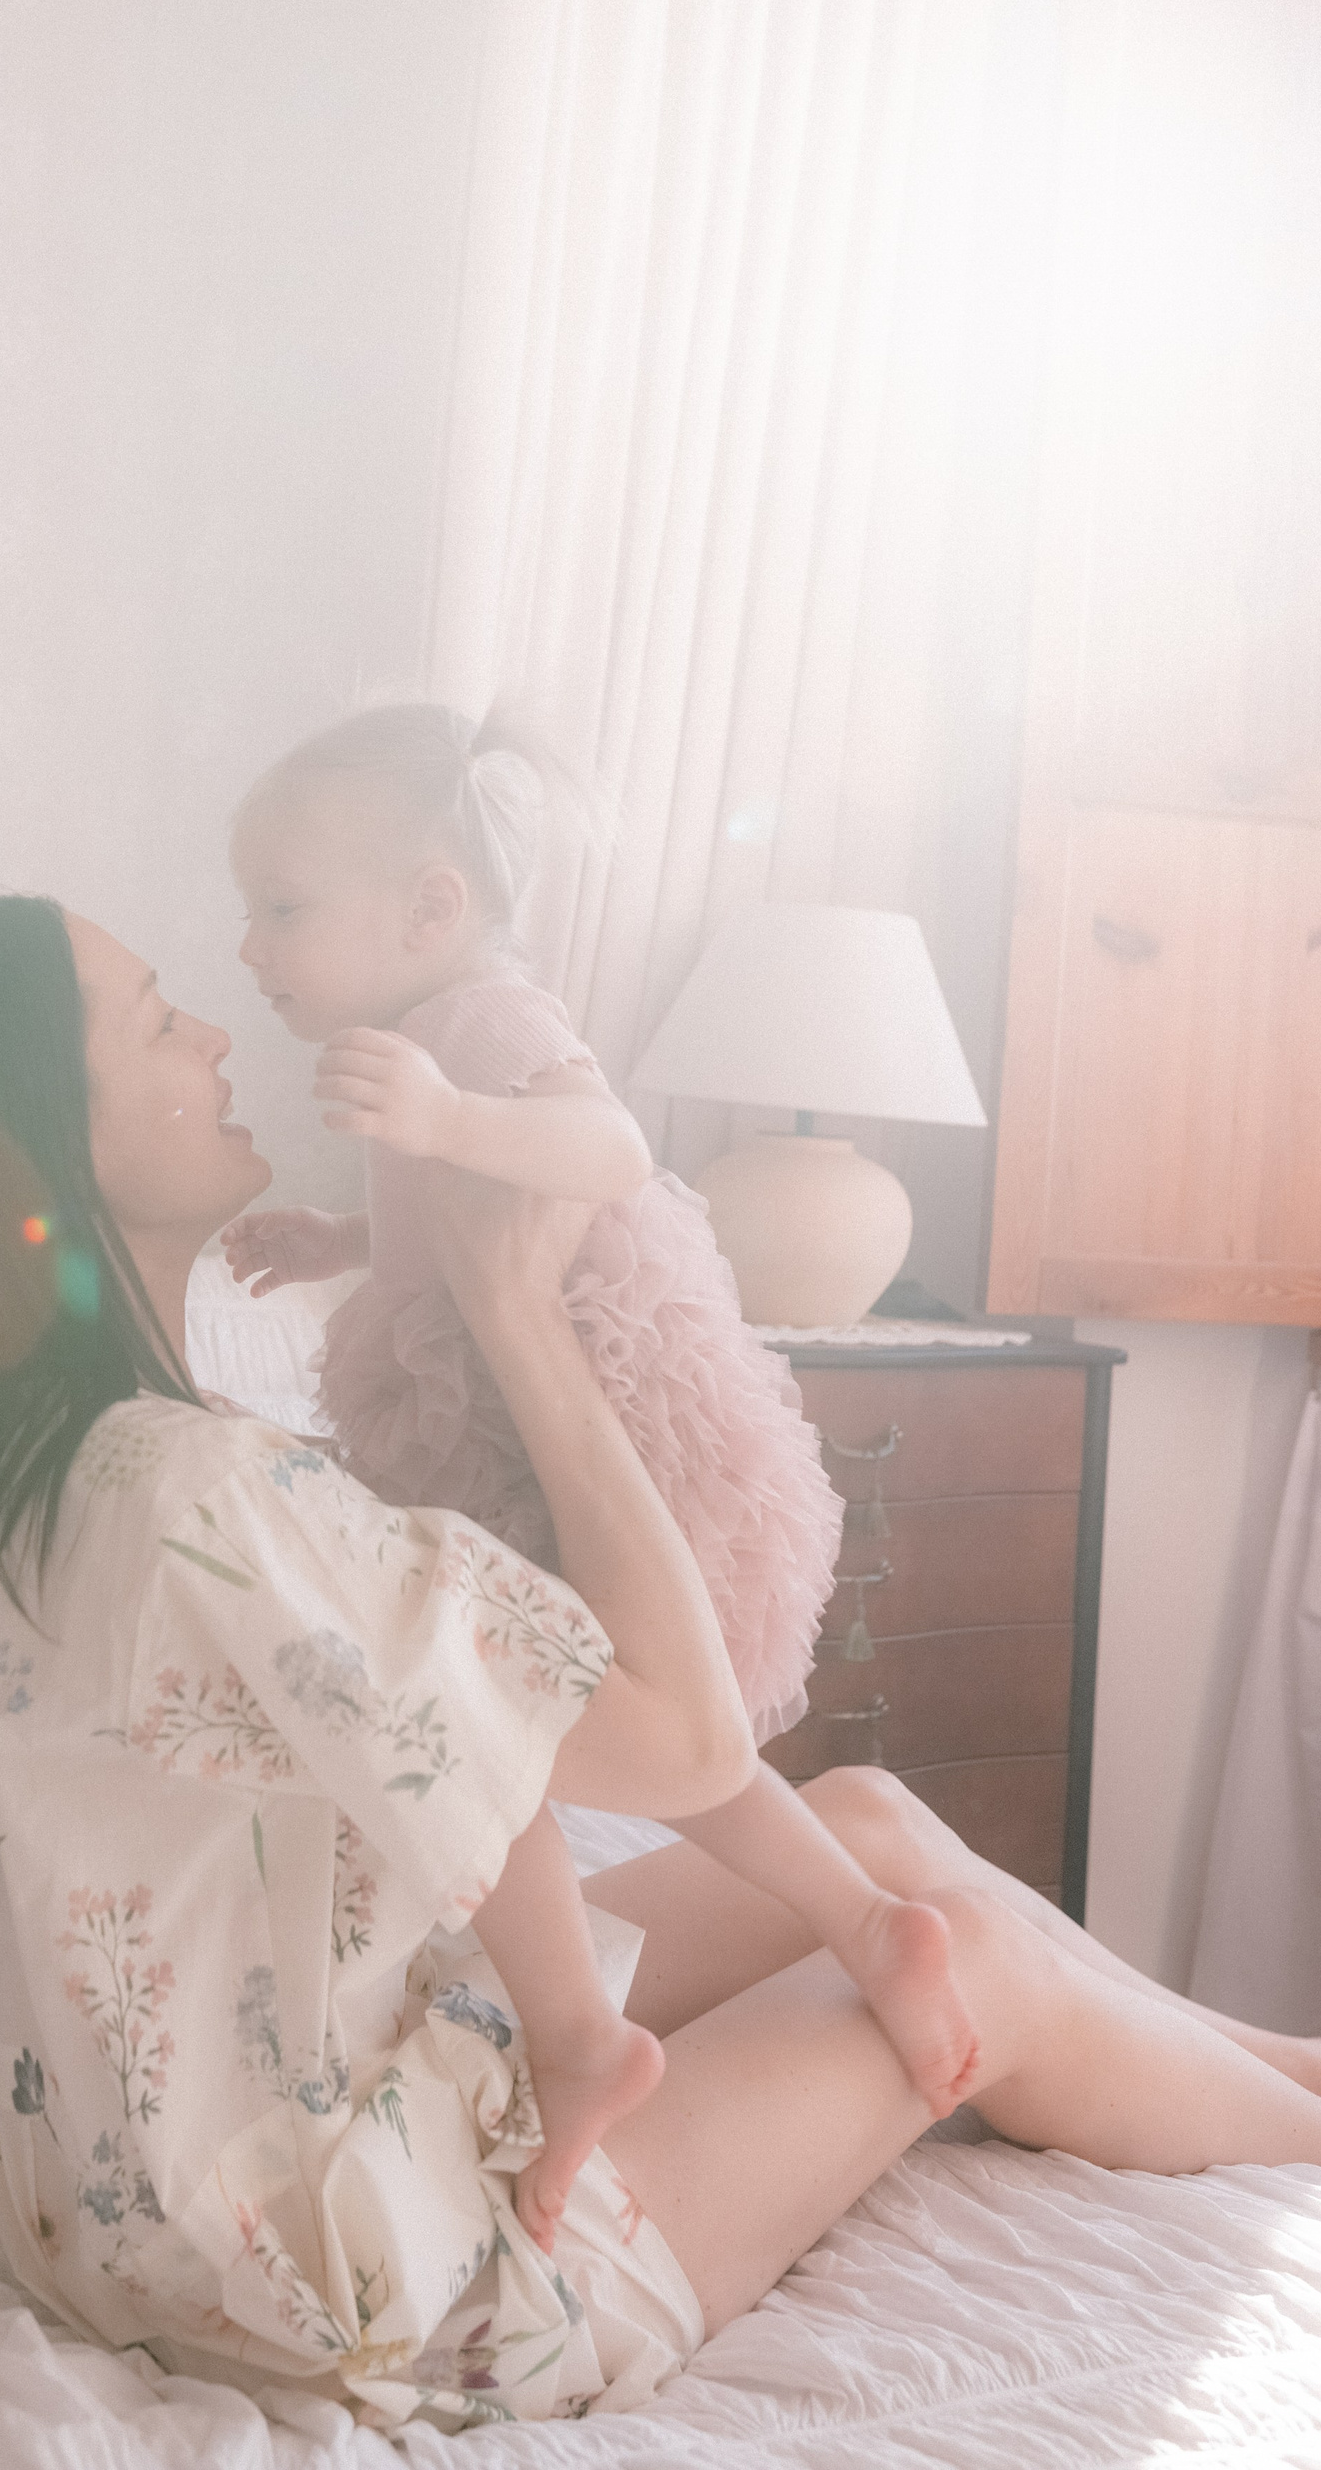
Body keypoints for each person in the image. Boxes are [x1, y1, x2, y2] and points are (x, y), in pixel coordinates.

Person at [0, 894, 1321, 2436]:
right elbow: (692, 1734)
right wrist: (518, 1308)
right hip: (363, 2288)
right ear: (42, 1144)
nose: (214, 1034)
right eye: (155, 1021)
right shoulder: (192, 1496)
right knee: (975, 1959)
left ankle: (1298, 2071)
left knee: (861, 1823)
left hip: (158, 2208)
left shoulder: (4, 1474)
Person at [224, 704, 974, 2236]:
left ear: (429, 908)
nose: (251, 947)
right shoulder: (432, 1040)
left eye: (283, 907)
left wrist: (446, 1112)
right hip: (497, 1427)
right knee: (629, 1734)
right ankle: (865, 1920)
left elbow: (606, 1148)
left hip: (556, 1432)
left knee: (475, 1732)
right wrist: (345, 1239)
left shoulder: (479, 1024)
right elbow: (454, 1215)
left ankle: (579, 2040)